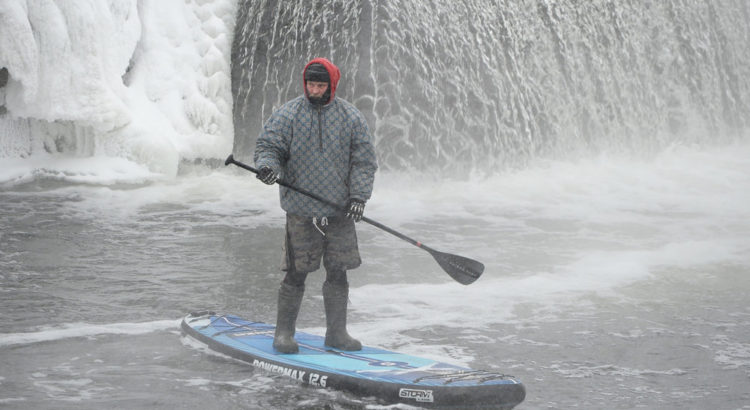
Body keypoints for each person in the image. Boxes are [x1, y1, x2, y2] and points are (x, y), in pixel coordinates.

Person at [253, 57, 378, 353]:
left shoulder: (351, 118)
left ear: (332, 84)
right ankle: (283, 334)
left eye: (320, 84)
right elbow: (269, 146)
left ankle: (337, 333)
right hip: (301, 209)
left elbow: (364, 162)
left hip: (339, 211)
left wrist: (359, 197)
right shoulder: (289, 115)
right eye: (310, 83)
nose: (314, 89)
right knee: (296, 272)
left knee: (338, 271)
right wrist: (268, 167)